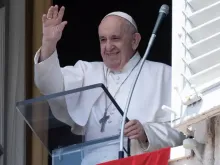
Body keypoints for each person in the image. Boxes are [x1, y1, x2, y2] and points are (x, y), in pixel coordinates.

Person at [34, 5, 185, 165]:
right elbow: (50, 86)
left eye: (115, 38)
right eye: (103, 40)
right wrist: (49, 43)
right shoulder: (87, 72)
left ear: (135, 40)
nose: (108, 47)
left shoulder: (164, 75)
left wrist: (147, 133)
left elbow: (184, 131)